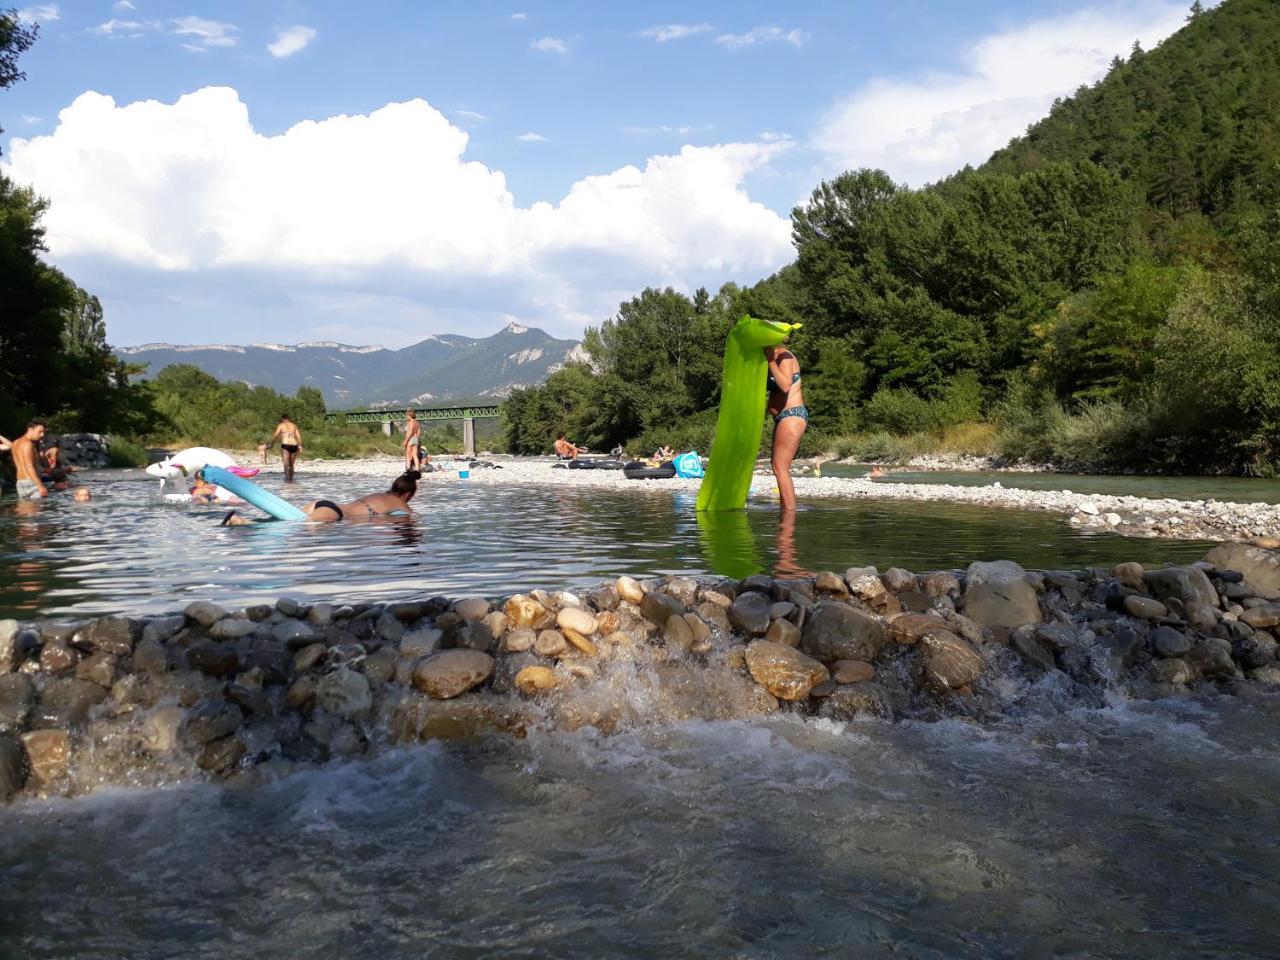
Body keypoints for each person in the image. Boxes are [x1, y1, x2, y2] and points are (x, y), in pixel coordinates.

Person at [221, 470, 420, 525]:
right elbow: (410, 519)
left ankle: (243, 522)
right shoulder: (400, 504)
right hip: (335, 514)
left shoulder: (379, 495)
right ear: (408, 494)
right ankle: (243, 523)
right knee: (296, 529)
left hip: (324, 504)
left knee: (286, 520)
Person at [765, 343, 807, 512]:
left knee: (780, 467)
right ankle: (785, 510)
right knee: (777, 466)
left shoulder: (785, 356)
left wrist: (769, 360)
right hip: (782, 417)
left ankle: (789, 514)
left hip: (792, 414)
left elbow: (785, 385)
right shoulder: (774, 359)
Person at [11, 421, 48, 500]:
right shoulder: (28, 444)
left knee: (25, 510)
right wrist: (40, 486)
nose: (42, 435)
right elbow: (29, 466)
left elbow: (17, 465)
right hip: (31, 482)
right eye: (40, 432)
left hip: (20, 482)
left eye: (43, 432)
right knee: (37, 510)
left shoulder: (15, 443)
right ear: (30, 429)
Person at [272, 414, 303, 481]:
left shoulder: (281, 425)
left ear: (282, 419)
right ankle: (291, 479)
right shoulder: (294, 425)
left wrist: (271, 444)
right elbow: (298, 437)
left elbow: (275, 435)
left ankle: (287, 479)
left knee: (286, 463)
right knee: (291, 464)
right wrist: (300, 446)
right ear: (289, 418)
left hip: (285, 445)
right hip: (294, 445)